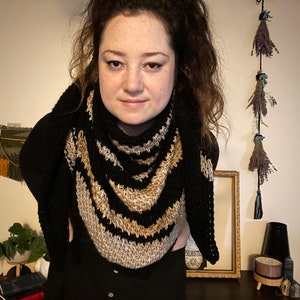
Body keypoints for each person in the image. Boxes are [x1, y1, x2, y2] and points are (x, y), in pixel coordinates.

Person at [20, 0, 225, 299]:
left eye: (153, 64)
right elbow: (31, 161)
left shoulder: (198, 145)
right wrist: (54, 206)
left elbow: (200, 184)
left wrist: (183, 219)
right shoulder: (61, 129)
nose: (132, 84)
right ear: (97, 63)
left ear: (178, 66)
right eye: (115, 62)